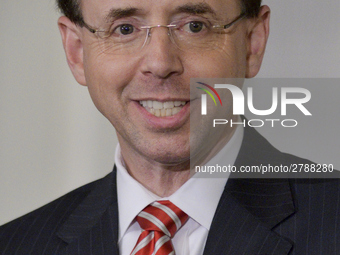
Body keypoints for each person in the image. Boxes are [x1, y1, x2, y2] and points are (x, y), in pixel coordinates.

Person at [1, 0, 339, 254]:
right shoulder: (16, 245)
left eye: (195, 26)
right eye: (125, 29)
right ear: (76, 52)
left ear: (253, 42)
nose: (160, 64)